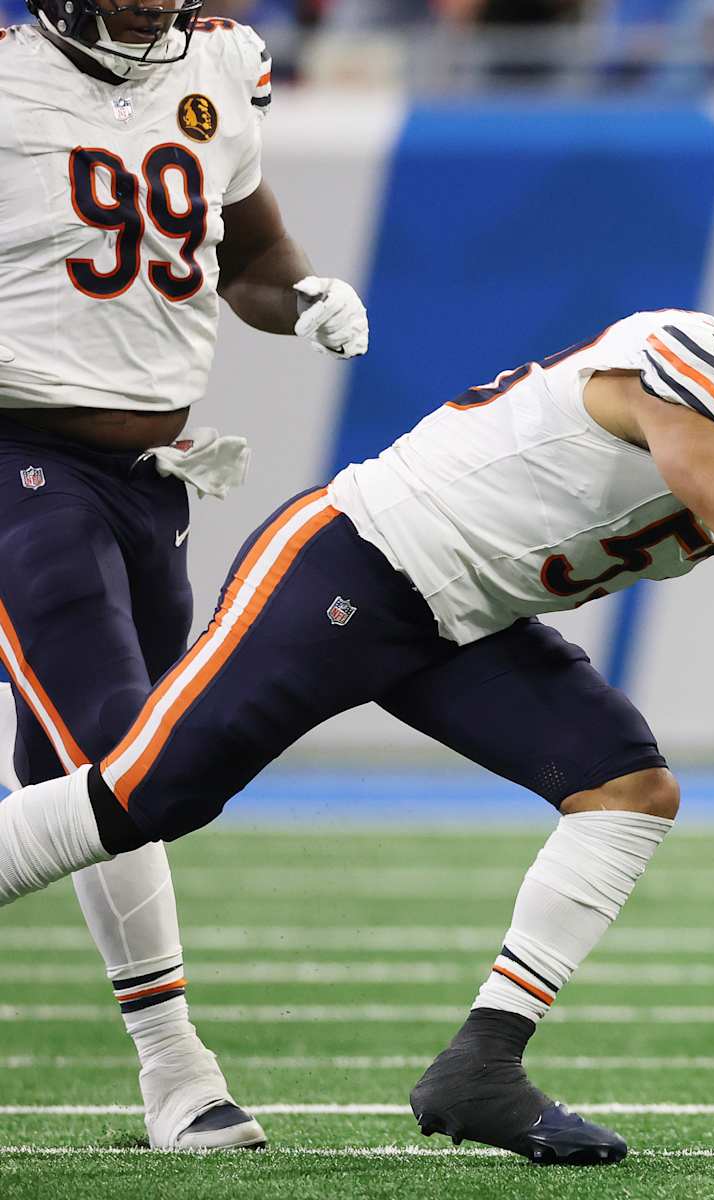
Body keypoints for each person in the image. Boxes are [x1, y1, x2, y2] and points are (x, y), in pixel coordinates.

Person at [0, 265, 714, 1165]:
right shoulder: (693, 363)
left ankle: (481, 1064)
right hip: (357, 563)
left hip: (461, 620)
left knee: (627, 784)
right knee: (144, 796)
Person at [0, 0, 369, 1150]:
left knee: (96, 778)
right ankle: (178, 1071)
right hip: (17, 454)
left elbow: (248, 255)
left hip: (154, 477)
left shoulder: (220, 64)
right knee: (119, 754)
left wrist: (300, 296)